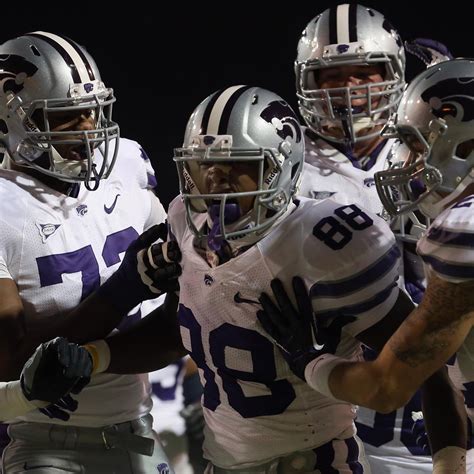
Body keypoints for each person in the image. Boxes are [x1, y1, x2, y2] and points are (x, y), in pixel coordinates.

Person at [81, 84, 464, 473]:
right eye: (204, 164)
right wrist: (94, 356)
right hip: (222, 463)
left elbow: (425, 364)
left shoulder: (326, 244)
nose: (216, 180)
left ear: (283, 169)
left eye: (238, 165)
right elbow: (177, 330)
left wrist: (448, 462)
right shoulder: (183, 221)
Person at [255, 58, 474, 473]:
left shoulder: (464, 232)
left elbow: (385, 387)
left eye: (415, 146)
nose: (405, 162)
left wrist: (308, 361)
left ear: (466, 147)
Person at [0, 31, 181, 473]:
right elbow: (8, 364)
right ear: (11, 120)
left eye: (92, 110)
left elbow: (180, 321)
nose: (89, 129)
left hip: (138, 431)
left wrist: (95, 355)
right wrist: (121, 293)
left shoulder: (128, 166)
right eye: (65, 116)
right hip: (47, 444)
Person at [294, 4, 461, 472]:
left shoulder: (432, 145)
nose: (348, 88)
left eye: (364, 73)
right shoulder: (287, 164)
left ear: (396, 74)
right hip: (343, 402)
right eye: (331, 75)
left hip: (449, 382)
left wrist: (447, 92)